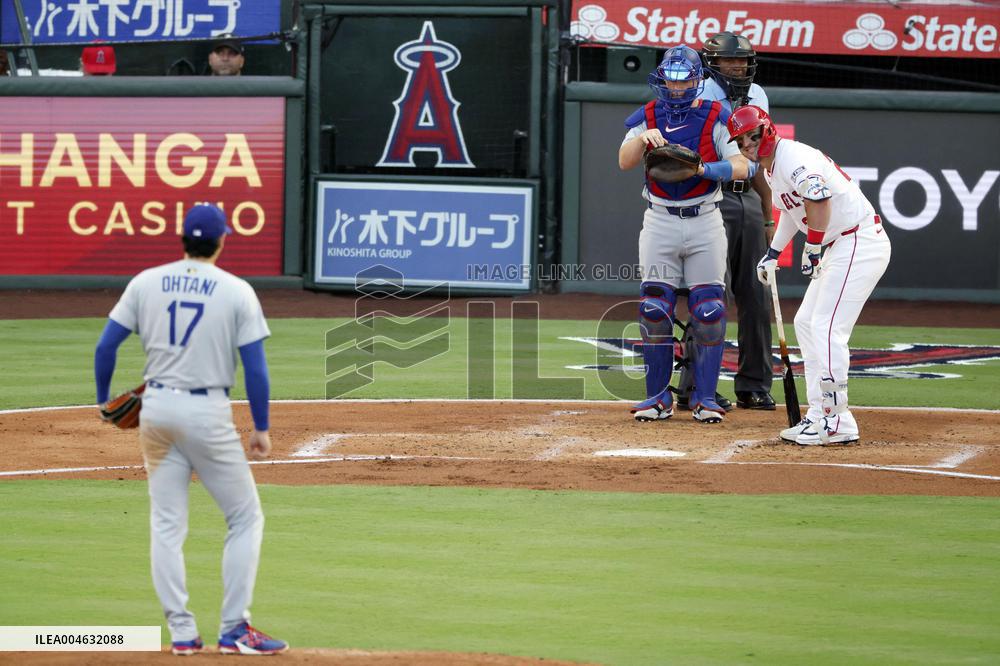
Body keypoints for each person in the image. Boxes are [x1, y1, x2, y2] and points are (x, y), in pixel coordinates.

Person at [93, 204, 288, 655]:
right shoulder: (237, 291)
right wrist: (261, 427)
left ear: (182, 239)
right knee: (244, 517)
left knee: (166, 525)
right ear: (221, 241)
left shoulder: (146, 281)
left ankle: (182, 633)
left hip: (157, 411)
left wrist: (104, 400)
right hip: (206, 413)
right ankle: (235, 629)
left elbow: (106, 345)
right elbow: (255, 370)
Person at [731, 105, 891, 445]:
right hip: (840, 244)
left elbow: (819, 199)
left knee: (827, 327)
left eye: (751, 136)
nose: (747, 145)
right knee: (806, 323)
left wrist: (813, 247)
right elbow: (793, 210)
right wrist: (773, 252)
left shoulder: (793, 158)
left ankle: (837, 420)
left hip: (857, 240)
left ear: (766, 131)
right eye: (741, 141)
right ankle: (819, 414)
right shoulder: (772, 167)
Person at [619, 45, 752, 424]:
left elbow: (744, 166)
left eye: (684, 80)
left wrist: (702, 171)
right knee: (654, 308)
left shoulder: (715, 114)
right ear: (661, 79)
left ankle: (705, 398)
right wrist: (643, 139)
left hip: (705, 219)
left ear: (697, 81)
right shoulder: (646, 116)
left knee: (709, 310)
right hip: (659, 218)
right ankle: (656, 398)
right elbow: (624, 161)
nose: (676, 88)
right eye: (671, 79)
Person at [676, 32, 776, 412]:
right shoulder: (697, 93)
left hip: (747, 193)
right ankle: (695, 386)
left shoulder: (758, 96)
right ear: (711, 63)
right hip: (709, 194)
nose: (737, 67)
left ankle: (754, 384)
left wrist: (768, 214)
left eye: (743, 60)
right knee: (710, 293)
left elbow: (760, 156)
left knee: (755, 291)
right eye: (729, 60)